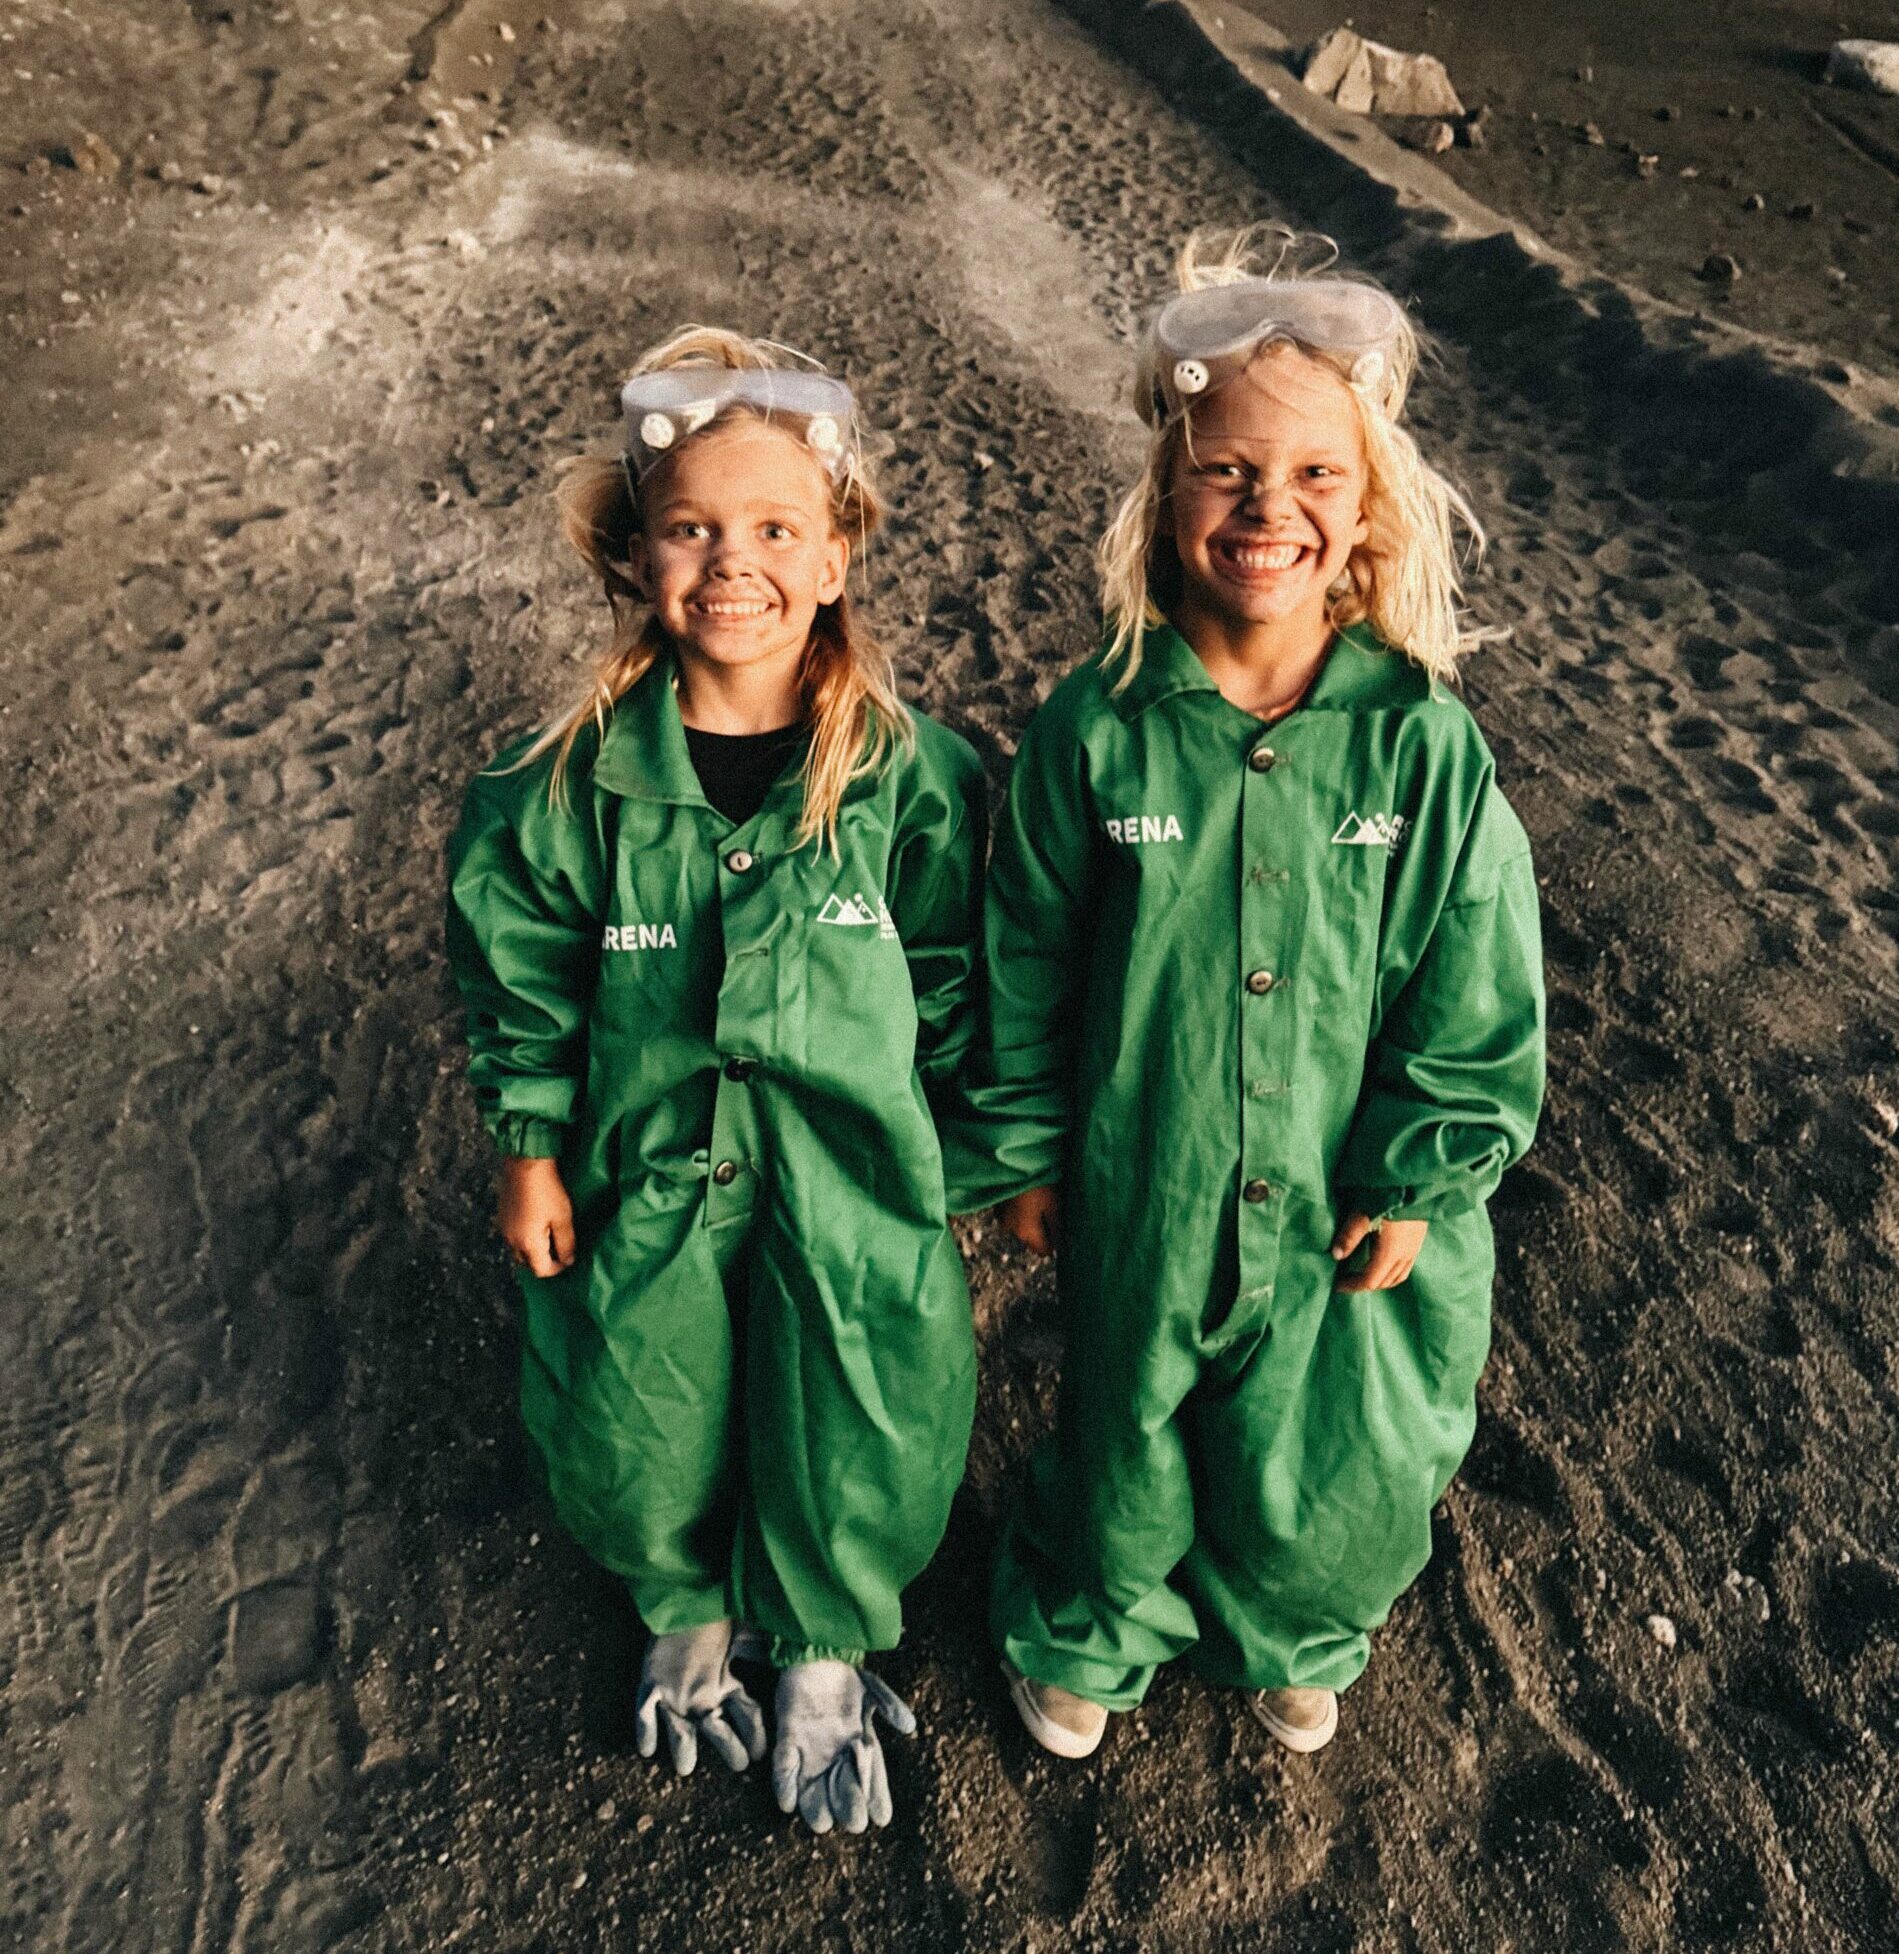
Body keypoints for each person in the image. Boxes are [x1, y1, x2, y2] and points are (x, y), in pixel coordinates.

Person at [949, 230, 1546, 1760]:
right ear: (1169, 489)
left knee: (1332, 1444)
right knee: (1126, 1429)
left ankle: (1295, 1624)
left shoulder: (1419, 744)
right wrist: (1024, 1148)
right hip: (1147, 1173)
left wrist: (1418, 1172)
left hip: (1338, 1186)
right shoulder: (1096, 731)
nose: (1269, 507)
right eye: (1228, 471)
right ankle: (1092, 1623)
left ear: (1365, 508)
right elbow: (1027, 951)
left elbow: (1471, 977)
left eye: (1314, 476)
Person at [446, 327, 986, 1832]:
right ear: (638, 558)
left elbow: (953, 977)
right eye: (690, 528)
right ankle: (684, 1605)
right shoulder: (559, 787)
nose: (731, 561)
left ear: (835, 556)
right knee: (638, 1390)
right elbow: (525, 979)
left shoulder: (910, 777)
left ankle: (822, 1636)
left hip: (848, 1175)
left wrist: (963, 1167)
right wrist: (531, 1146)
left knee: (863, 1391)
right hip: (647, 1162)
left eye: (774, 530)